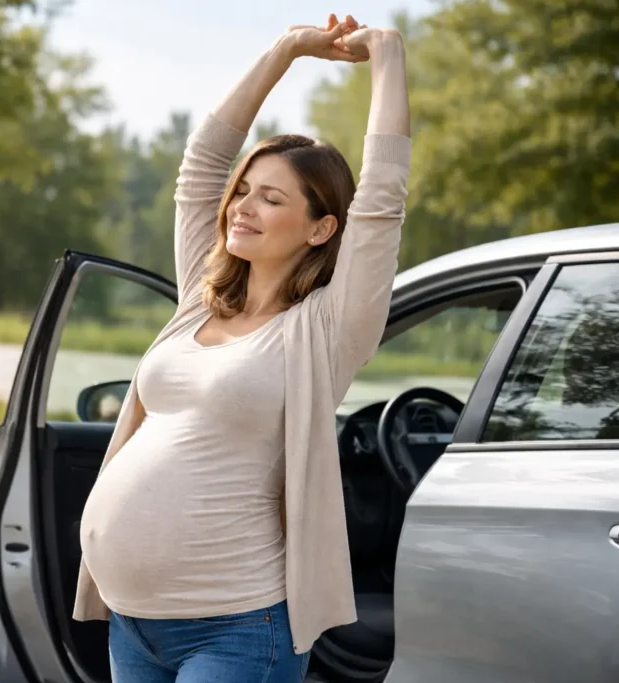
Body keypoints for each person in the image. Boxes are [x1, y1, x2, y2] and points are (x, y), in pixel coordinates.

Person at [74, 13, 411, 683]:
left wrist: (387, 60)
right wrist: (284, 51)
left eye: (272, 199)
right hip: (132, 622)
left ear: (321, 228)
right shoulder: (200, 299)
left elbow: (383, 200)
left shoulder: (328, 329)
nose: (242, 207)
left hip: (237, 627)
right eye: (245, 192)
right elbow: (201, 166)